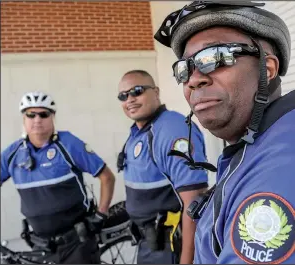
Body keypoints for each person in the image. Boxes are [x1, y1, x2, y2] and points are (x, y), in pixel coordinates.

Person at [154, 1, 295, 264]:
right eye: (185, 68)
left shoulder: (278, 170)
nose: (194, 78)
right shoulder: (256, 146)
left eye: (215, 57)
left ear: (268, 69)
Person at [0, 91, 116, 264]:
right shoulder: (12, 154)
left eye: (43, 114)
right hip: (41, 245)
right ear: (24, 119)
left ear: (52, 116)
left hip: (77, 242)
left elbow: (107, 177)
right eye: (31, 114)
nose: (37, 119)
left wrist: (101, 214)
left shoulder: (68, 144)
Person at [117, 70, 215, 264]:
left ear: (156, 91)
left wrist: (187, 260)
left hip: (171, 249)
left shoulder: (171, 129)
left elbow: (194, 203)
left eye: (137, 91)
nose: (130, 99)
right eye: (123, 95)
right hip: (151, 245)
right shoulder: (140, 130)